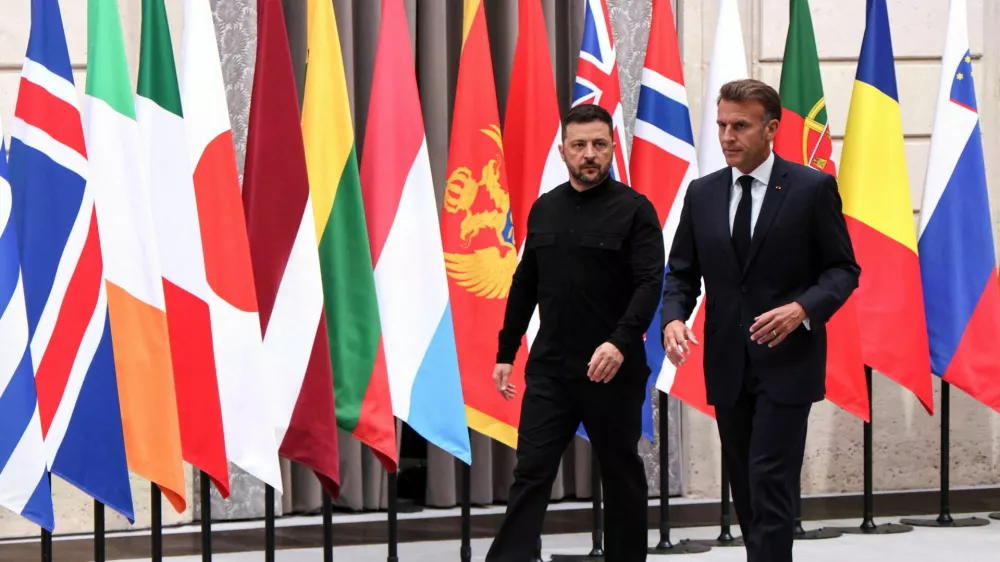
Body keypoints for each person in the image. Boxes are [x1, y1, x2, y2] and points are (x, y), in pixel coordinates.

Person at [660, 79, 860, 562]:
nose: (727, 137)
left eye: (741, 126)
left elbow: (842, 269)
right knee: (746, 485)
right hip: (727, 363)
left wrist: (803, 308)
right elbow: (681, 272)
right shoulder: (702, 194)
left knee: (770, 479)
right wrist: (673, 318)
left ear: (771, 129)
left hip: (788, 362)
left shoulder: (811, 189)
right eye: (722, 125)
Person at [485, 103, 664, 562]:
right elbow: (525, 283)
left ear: (612, 148)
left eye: (599, 145)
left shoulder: (636, 211)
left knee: (620, 473)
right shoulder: (545, 208)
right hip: (551, 370)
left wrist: (619, 342)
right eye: (579, 145)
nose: (589, 154)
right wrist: (506, 351)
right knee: (531, 472)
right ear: (563, 151)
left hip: (613, 371)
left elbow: (649, 285)